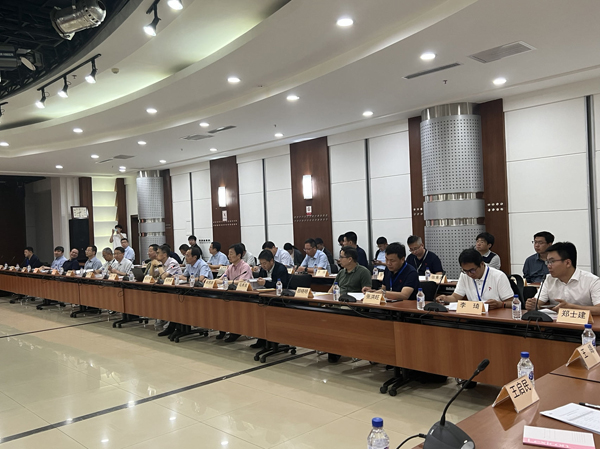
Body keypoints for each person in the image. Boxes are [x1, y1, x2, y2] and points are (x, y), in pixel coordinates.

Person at [525, 242, 600, 315]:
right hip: (556, 323)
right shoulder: (548, 279)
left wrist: (572, 308)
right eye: (547, 262)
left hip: (586, 322)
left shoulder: (592, 281)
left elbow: (598, 309)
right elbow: (538, 302)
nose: (548, 266)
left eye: (552, 261)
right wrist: (532, 305)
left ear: (567, 263)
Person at [436, 248, 513, 309]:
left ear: (482, 264)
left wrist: (500, 304)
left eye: (472, 270)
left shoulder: (498, 276)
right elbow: (455, 297)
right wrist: (445, 298)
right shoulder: (464, 275)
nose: (469, 274)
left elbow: (513, 302)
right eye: (465, 271)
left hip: (495, 317)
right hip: (474, 316)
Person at [252, 250, 292, 349]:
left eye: (265, 263)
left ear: (271, 261)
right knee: (258, 312)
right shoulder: (262, 270)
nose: (263, 266)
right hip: (266, 297)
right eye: (261, 263)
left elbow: (282, 285)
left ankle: (273, 339)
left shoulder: (280, 268)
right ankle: (262, 338)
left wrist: (265, 284)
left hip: (280, 299)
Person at [216, 243, 253, 342]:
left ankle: (236, 332)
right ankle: (223, 328)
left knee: (233, 308)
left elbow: (241, 282)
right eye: (228, 253)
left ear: (239, 255)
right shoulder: (230, 267)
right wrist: (212, 281)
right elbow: (220, 279)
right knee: (220, 306)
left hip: (244, 297)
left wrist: (226, 282)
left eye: (231, 253)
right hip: (232, 295)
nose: (229, 256)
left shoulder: (245, 267)